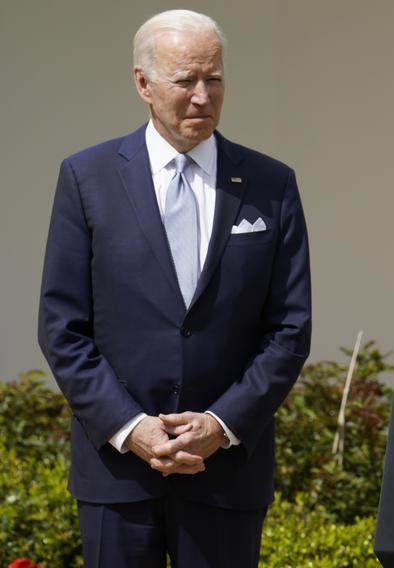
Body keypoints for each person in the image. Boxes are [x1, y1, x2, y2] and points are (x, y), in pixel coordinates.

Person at [37, 9, 311, 567]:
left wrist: (220, 424)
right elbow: (62, 327)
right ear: (143, 83)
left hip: (226, 474)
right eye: (185, 80)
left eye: (214, 79)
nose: (203, 97)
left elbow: (289, 328)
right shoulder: (86, 179)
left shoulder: (270, 184)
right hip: (118, 475)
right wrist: (129, 426)